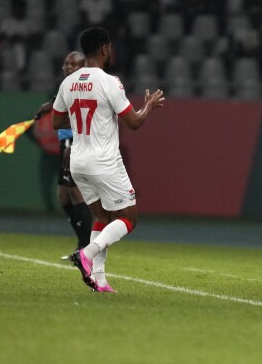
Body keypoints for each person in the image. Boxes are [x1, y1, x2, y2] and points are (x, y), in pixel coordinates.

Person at [51, 27, 165, 293]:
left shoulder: (68, 83)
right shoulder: (109, 82)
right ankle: (86, 254)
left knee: (102, 217)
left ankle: (99, 281)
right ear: (104, 49)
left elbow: (57, 121)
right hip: (104, 162)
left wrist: (83, 119)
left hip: (78, 162)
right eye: (110, 47)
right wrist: (148, 106)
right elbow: (134, 122)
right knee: (128, 218)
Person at [35, 51, 93, 252]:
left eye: (72, 64)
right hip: (65, 142)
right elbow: (62, 101)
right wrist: (48, 106)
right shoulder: (68, 85)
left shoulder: (85, 85)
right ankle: (82, 243)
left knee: (76, 194)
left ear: (82, 67)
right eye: (66, 64)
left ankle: (86, 247)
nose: (67, 67)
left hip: (75, 142)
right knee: (63, 196)